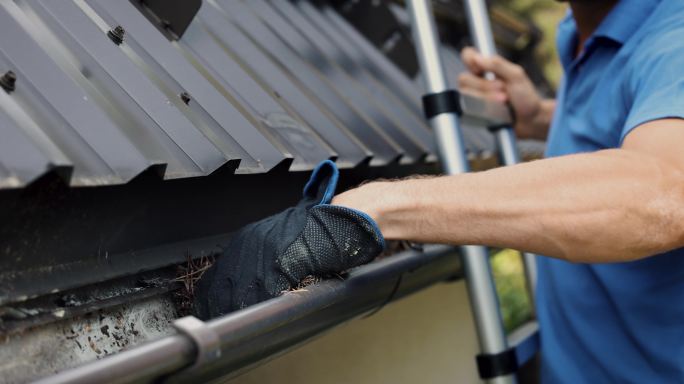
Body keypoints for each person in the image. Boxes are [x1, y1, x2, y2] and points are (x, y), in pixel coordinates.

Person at [195, 0, 684, 382]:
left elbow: (665, 192)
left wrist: (373, 208)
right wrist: (537, 117)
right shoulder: (587, 30)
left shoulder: (674, 34)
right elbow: (642, 116)